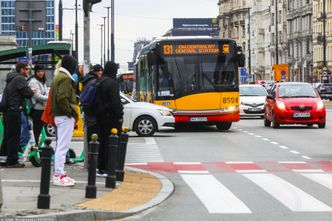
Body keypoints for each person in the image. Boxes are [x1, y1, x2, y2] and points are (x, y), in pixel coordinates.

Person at [0, 62, 35, 167]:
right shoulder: (20, 78)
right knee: (14, 137)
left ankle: (3, 158)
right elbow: (27, 93)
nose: (28, 71)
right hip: (15, 110)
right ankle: (12, 161)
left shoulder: (11, 78)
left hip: (7, 111)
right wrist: (32, 91)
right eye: (26, 69)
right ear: (21, 70)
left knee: (7, 136)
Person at [50, 55, 78, 186]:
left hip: (59, 115)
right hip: (64, 116)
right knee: (63, 146)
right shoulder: (66, 78)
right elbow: (63, 98)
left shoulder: (58, 76)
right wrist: (70, 113)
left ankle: (59, 173)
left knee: (60, 146)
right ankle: (58, 175)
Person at [95, 61, 123, 177]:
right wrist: (120, 114)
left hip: (99, 116)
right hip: (111, 117)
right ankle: (109, 168)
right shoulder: (112, 83)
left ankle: (100, 167)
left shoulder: (99, 81)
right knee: (111, 143)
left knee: (101, 142)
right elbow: (115, 102)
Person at [80, 64, 103, 145]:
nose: (101, 75)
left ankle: (90, 156)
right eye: (100, 73)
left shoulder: (87, 80)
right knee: (93, 140)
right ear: (97, 73)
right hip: (92, 115)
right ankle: (92, 157)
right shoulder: (94, 82)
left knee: (90, 139)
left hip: (87, 113)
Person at [28, 65, 48, 146]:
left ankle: (37, 147)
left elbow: (45, 93)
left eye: (42, 71)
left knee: (39, 131)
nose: (41, 73)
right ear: (35, 72)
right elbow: (37, 96)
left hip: (42, 109)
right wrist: (49, 98)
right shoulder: (33, 81)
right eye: (39, 71)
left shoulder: (42, 81)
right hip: (36, 109)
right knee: (36, 131)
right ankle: (35, 149)